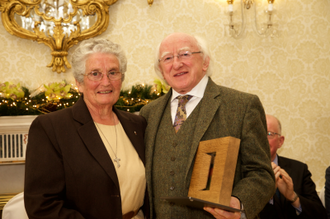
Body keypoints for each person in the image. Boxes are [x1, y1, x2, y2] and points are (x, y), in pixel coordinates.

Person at [139, 32, 275, 219]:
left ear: (205, 62)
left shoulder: (242, 105)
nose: (177, 64)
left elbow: (261, 173)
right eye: (168, 58)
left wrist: (239, 202)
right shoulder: (149, 113)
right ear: (161, 71)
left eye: (185, 54)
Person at [24, 38, 149, 219]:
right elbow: (42, 205)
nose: (105, 82)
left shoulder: (137, 124)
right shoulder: (51, 128)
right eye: (95, 74)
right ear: (79, 83)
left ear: (122, 78)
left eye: (113, 72)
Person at [259, 114, 327, 219]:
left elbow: (321, 215)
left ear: (280, 141)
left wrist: (293, 197)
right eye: (257, 133)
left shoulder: (299, 170)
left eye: (268, 133)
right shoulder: (238, 170)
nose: (262, 139)